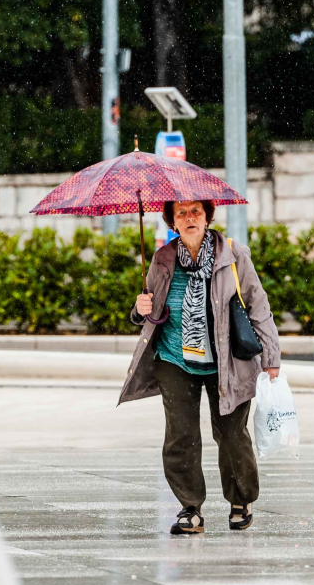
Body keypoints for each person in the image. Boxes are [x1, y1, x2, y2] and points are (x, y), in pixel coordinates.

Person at [118, 199, 281, 535]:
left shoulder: (234, 255)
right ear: (172, 221)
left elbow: (258, 305)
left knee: (232, 434)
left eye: (195, 211)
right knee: (181, 436)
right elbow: (150, 312)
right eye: (181, 213)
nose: (189, 218)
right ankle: (190, 507)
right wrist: (139, 308)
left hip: (227, 361)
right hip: (174, 360)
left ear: (207, 216)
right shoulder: (162, 258)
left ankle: (240, 500)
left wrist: (271, 357)